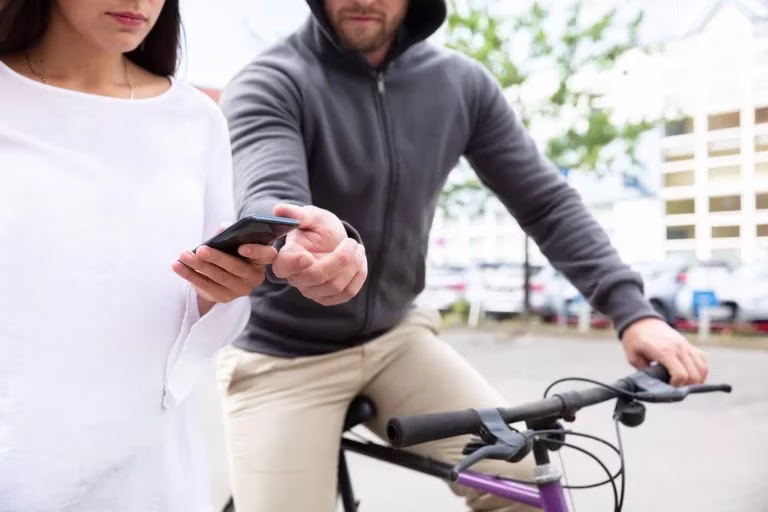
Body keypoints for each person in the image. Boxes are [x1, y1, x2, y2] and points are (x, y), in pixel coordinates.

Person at [215, 0, 710, 510]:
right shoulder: (269, 82)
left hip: (396, 340)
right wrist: (296, 245)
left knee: (528, 487)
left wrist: (633, 314)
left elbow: (545, 202)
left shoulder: (460, 84)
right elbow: (270, 198)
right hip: (283, 356)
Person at [0, 1, 348, 510]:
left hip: (149, 468)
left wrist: (219, 292)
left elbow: (203, 324)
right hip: (20, 460)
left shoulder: (195, 119)